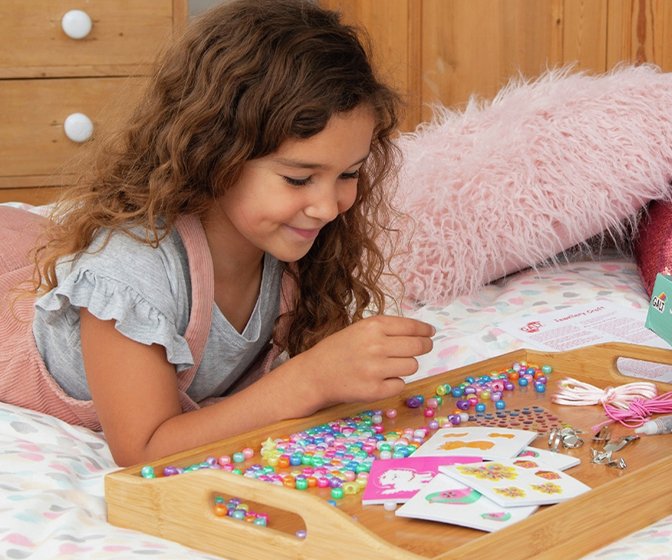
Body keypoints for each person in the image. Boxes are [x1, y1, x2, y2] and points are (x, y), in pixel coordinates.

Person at [0, 0, 434, 467]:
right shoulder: (129, 274)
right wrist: (309, 380)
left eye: (348, 174)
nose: (328, 207)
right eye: (298, 179)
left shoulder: (288, 239)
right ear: (216, 155)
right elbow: (142, 449)